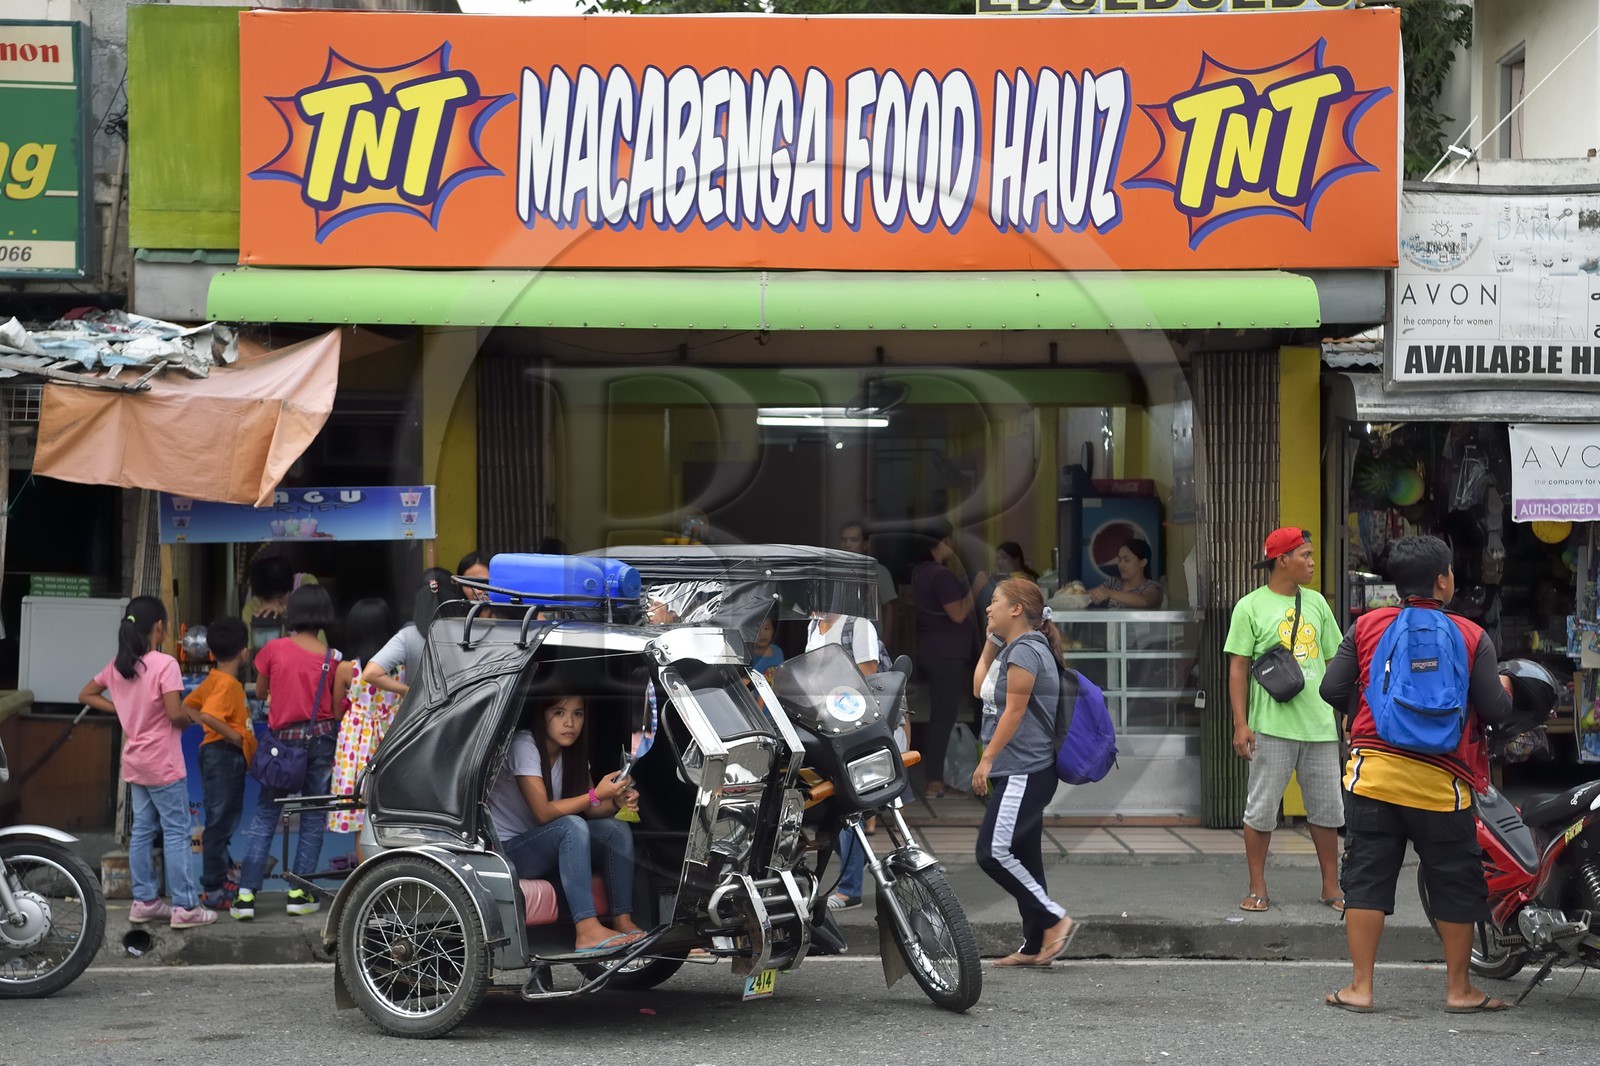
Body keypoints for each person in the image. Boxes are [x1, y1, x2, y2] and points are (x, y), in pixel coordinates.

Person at [1319, 535, 1520, 1014]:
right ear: (1442, 580)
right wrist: (1506, 689)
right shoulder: (1472, 636)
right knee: (1454, 881)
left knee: (1367, 878)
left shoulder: (1366, 626)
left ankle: (1361, 988)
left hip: (1374, 779)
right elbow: (1495, 710)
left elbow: (1331, 687)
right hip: (1442, 786)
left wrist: (1359, 706)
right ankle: (1459, 990)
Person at [1223, 527, 1345, 914]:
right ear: (1282, 561)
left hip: (1320, 725)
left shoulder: (1319, 605)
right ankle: (1257, 885)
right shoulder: (1250, 606)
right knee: (1260, 809)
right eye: (1305, 555)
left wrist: (1345, 715)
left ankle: (1331, 886)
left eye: (1311, 555)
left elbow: (1333, 663)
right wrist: (1241, 724)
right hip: (1271, 726)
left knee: (1327, 811)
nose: (1311, 562)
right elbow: (1237, 667)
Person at [79, 597, 218, 929]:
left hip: (136, 763)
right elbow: (174, 713)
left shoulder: (119, 664)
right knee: (175, 831)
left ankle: (144, 901)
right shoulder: (165, 664)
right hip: (163, 762)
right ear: (160, 625)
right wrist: (192, 717)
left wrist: (124, 710)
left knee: (142, 830)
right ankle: (185, 907)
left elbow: (86, 694)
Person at [486, 692, 642, 952]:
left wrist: (615, 802)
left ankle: (622, 919)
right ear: (542, 715)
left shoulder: (573, 752)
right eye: (559, 713)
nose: (570, 722)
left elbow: (592, 809)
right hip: (508, 850)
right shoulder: (524, 745)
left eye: (577, 714)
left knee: (615, 828)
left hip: (543, 845)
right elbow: (543, 813)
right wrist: (596, 794)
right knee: (570, 825)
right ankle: (586, 930)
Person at [971, 578, 1074, 967]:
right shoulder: (1013, 649)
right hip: (1021, 770)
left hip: (1023, 770)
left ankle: (1054, 918)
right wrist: (991, 642)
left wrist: (987, 759)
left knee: (991, 852)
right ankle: (1034, 946)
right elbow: (980, 688)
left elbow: (1014, 711)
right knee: (1026, 857)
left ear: (1016, 610)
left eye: (995, 602)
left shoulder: (1027, 651)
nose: (988, 608)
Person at [234, 585, 347, 921]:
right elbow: (336, 706)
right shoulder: (333, 657)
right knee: (313, 815)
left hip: (280, 743)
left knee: (266, 814)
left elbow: (262, 691)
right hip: (321, 739)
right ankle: (300, 893)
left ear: (293, 613)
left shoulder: (273, 649)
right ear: (324, 615)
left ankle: (244, 897)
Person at [806, 607, 884, 911]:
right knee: (828, 805)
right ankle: (856, 867)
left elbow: (868, 680)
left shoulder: (857, 625)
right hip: (821, 725)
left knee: (849, 806)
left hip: (850, 727)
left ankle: (851, 887)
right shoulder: (814, 626)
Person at [184, 617, 256, 912]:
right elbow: (210, 715)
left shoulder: (214, 679)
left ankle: (221, 875)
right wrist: (235, 738)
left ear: (212, 653)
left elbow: (189, 705)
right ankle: (213, 889)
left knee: (220, 819)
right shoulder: (226, 684)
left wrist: (213, 730)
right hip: (223, 755)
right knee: (218, 822)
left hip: (216, 755)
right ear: (244, 652)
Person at [912, 522, 977, 799]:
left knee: (939, 715)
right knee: (944, 716)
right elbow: (958, 614)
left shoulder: (919, 572)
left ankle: (935, 779)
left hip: (931, 649)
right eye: (948, 539)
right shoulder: (941, 576)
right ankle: (935, 783)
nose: (951, 544)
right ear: (938, 543)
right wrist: (978, 587)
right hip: (946, 652)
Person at [329, 598, 404, 835]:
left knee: (361, 818)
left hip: (355, 742)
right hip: (393, 736)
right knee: (392, 811)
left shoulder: (346, 669)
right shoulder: (402, 666)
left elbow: (336, 711)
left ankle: (365, 870)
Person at [362, 567, 453, 698]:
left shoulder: (408, 636)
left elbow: (370, 673)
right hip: (462, 710)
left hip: (422, 710)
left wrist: (406, 691)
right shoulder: (467, 631)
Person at [839, 519, 899, 626]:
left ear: (866, 544)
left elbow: (888, 608)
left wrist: (886, 641)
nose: (847, 544)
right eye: (844, 540)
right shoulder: (835, 572)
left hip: (871, 638)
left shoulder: (879, 572)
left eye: (854, 540)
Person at [1089, 538, 1164, 609]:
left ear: (1143, 562)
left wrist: (1109, 593)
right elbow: (1092, 593)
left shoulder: (1154, 587)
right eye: (1119, 560)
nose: (1121, 565)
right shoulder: (1113, 582)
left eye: (1127, 560)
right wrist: (1079, 591)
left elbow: (1144, 601)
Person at [749, 613, 785, 681]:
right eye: (757, 629)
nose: (762, 634)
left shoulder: (778, 651)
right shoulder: (748, 655)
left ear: (773, 631)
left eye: (766, 628)